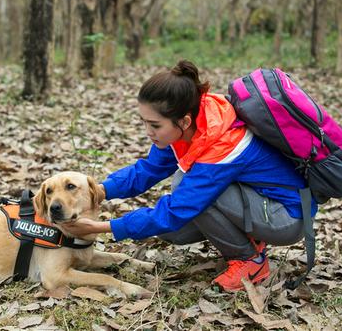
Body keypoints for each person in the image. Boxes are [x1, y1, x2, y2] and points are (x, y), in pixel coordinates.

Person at [62, 60, 317, 292]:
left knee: (185, 187)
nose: (148, 131)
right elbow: (149, 170)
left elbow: (177, 209)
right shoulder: (192, 123)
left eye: (155, 125)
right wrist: (100, 190)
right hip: (257, 201)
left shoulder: (221, 143)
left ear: (183, 122)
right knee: (173, 233)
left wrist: (103, 228)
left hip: (286, 216)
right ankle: (248, 239)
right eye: (144, 122)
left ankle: (250, 261)